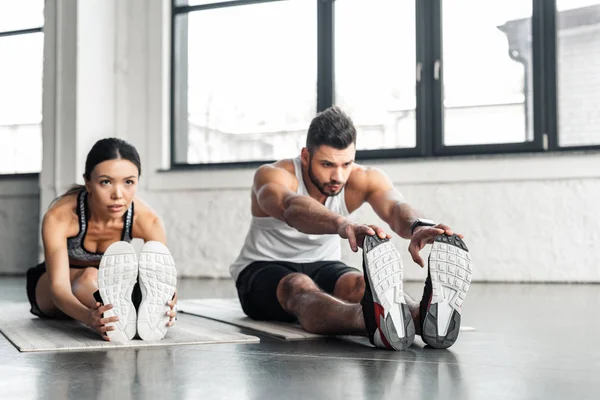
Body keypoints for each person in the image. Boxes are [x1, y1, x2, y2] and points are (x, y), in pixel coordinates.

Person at [230, 106, 473, 350]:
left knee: (361, 284)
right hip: (262, 268)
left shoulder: (363, 178)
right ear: (305, 156)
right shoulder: (273, 175)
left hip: (323, 264)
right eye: (326, 164)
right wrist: (341, 223)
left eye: (346, 164)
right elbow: (291, 208)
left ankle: (423, 319)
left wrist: (417, 226)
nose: (338, 176)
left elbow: (395, 207)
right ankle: (369, 320)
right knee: (298, 285)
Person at [26, 138, 178, 342]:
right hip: (52, 292)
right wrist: (89, 319)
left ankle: (125, 316)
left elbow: (162, 279)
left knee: (113, 281)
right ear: (88, 182)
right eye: (106, 182)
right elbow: (59, 289)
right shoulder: (60, 216)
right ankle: (119, 316)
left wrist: (168, 306)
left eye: (128, 182)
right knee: (89, 276)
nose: (118, 194)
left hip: (101, 288)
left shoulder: (148, 220)